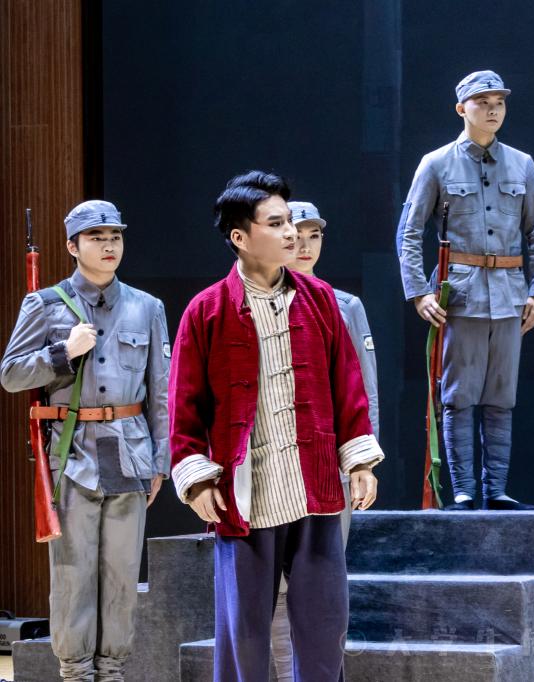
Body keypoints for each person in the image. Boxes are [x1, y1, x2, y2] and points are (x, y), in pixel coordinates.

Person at [168, 171, 383, 681]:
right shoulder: (206, 311)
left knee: (324, 627)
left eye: (290, 222)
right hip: (245, 498)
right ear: (240, 237)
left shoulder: (321, 299)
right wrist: (196, 478)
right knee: (243, 634)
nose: (291, 233)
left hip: (315, 490)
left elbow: (348, 387)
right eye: (276, 223)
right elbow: (184, 406)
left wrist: (359, 463)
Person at [1, 200, 170, 681]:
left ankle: (111, 672)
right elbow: (11, 374)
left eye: (115, 236)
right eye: (96, 238)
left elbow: (162, 391)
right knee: (73, 575)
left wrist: (161, 461)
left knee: (121, 577)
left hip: (129, 455)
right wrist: (62, 351)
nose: (109, 245)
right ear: (72, 246)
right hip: (72, 457)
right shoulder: (45, 304)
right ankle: (76, 673)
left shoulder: (146, 307)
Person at [397, 69, 534, 510]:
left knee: (502, 396)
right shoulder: (436, 163)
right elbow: (409, 232)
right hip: (460, 295)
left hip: (509, 293)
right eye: (482, 102)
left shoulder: (522, 164)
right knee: (459, 396)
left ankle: (496, 490)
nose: (492, 110)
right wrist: (419, 292)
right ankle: (464, 490)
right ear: (461, 108)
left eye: (498, 102)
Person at [268, 199, 381, 680]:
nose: (305, 245)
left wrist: (362, 463)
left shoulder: (344, 306)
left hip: (330, 463)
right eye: (296, 235)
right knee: (275, 585)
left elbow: (364, 391)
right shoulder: (252, 301)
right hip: (272, 462)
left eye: (314, 236)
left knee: (324, 580)